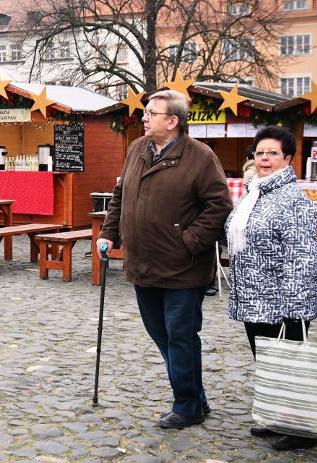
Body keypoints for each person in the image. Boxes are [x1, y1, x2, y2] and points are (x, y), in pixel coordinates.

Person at [96, 90, 232, 430]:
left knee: (180, 335)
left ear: (172, 121)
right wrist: (109, 233)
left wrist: (188, 242)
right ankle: (196, 396)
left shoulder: (200, 156)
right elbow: (120, 194)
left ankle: (186, 406)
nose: (144, 117)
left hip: (183, 268)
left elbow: (219, 205)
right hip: (143, 263)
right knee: (161, 334)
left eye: (151, 113)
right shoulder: (137, 149)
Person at [225, 125, 317, 451]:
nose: (264, 159)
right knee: (268, 362)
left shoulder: (293, 200)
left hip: (282, 300)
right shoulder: (253, 191)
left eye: (273, 153)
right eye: (260, 153)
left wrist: (296, 310)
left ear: (289, 158)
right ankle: (280, 418)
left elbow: (301, 258)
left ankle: (303, 431)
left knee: (290, 363)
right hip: (254, 297)